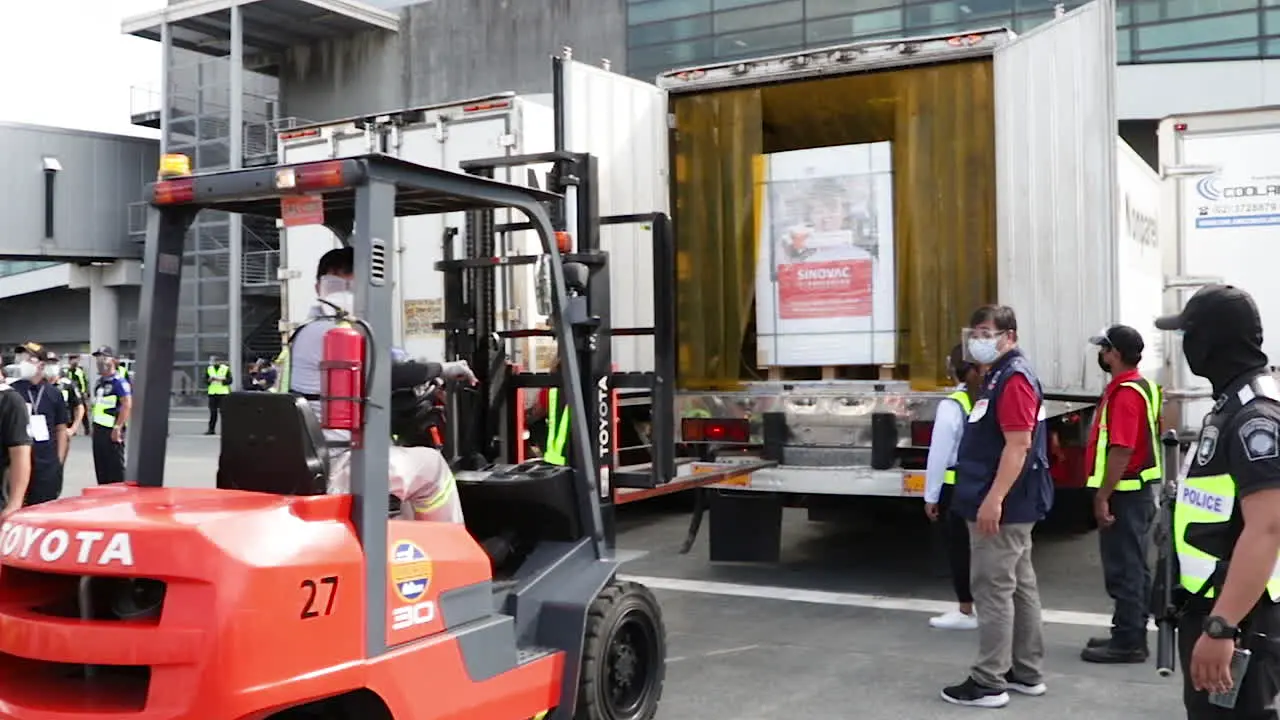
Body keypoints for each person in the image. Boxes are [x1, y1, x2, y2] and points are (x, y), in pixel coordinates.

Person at [1154, 284, 1280, 719]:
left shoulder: (1254, 418)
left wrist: (1222, 625)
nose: (1185, 345)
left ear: (1208, 340)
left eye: (1188, 333)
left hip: (1241, 617)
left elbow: (1268, 527)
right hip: (1220, 604)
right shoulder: (1233, 404)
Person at [277, 247, 472, 522]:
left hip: (304, 457)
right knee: (433, 466)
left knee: (405, 479)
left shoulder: (302, 333)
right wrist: (445, 369)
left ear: (317, 287)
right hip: (339, 463)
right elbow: (391, 374)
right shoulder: (342, 335)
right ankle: (450, 554)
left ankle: (406, 544)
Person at [941, 304, 1052, 709]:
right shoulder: (999, 377)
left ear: (1009, 336)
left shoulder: (1013, 378)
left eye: (987, 332)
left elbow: (1018, 444)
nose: (978, 340)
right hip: (1011, 503)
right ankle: (1025, 671)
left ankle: (988, 681)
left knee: (993, 589)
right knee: (1019, 586)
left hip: (1005, 505)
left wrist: (994, 499)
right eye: (976, 332)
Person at [1080, 324, 1162, 664]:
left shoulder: (1126, 393)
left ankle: (1129, 641)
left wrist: (1102, 496)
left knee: (1125, 568)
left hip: (1125, 494)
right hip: (1136, 492)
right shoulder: (1141, 386)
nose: (1100, 354)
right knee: (1134, 566)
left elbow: (1122, 449)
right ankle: (1127, 632)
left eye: (1104, 349)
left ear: (1114, 354)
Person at [924, 344, 981, 631]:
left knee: (960, 549)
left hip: (956, 490)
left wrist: (930, 495)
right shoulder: (988, 399)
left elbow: (939, 454)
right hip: (985, 486)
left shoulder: (953, 404)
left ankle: (966, 609)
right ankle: (990, 607)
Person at [10, 343, 71, 505]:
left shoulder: (54, 393)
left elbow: (61, 429)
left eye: (29, 359)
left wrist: (58, 462)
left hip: (46, 464)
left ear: (41, 365)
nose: (23, 363)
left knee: (43, 508)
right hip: (17, 463)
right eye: (21, 358)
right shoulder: (11, 391)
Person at [89, 345, 131, 485]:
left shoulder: (119, 382)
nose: (101, 361)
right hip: (99, 430)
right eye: (98, 358)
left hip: (112, 431)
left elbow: (127, 404)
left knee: (115, 470)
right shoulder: (99, 383)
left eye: (104, 357)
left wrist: (118, 427)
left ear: (113, 360)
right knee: (101, 468)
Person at [51, 352, 85, 434]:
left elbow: (79, 407)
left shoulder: (67, 384)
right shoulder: (38, 385)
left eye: (53, 363)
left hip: (64, 426)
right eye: (48, 363)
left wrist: (73, 428)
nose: (50, 366)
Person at [205, 354, 232, 435]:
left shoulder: (225, 369)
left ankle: (226, 430)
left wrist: (220, 380)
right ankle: (211, 429)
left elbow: (230, 380)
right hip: (212, 393)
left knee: (224, 413)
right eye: (212, 361)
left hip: (223, 393)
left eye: (214, 361)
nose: (212, 362)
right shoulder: (209, 369)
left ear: (218, 361)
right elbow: (205, 380)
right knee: (213, 413)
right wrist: (209, 380)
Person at [65, 353, 90, 434]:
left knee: (83, 411)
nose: (74, 361)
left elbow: (84, 382)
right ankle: (72, 428)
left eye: (75, 358)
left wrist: (84, 392)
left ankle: (87, 428)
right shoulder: (68, 371)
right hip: (71, 394)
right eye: (72, 359)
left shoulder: (79, 371)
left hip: (80, 394)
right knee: (71, 411)